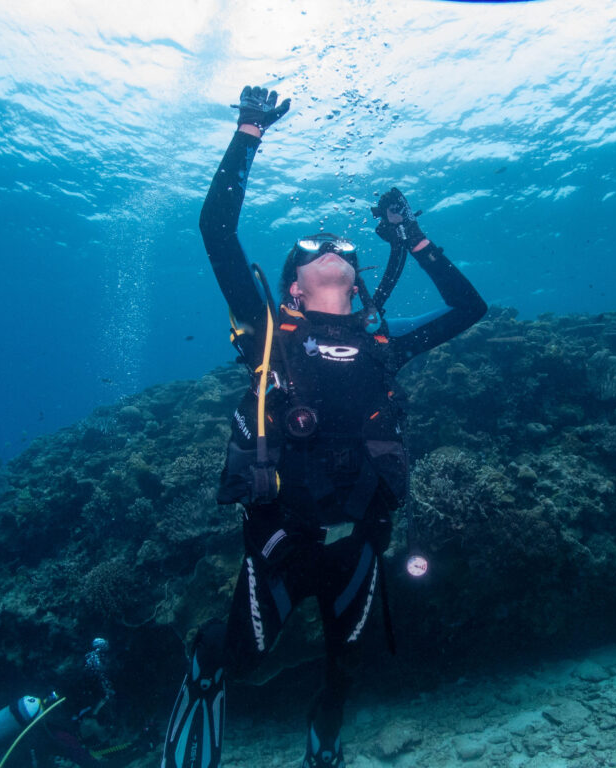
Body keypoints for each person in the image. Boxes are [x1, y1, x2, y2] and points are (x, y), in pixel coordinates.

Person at [161, 85, 487, 768]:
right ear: (293, 289)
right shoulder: (268, 333)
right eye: (314, 247)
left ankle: (324, 747)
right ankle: (202, 673)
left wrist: (414, 238)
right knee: (244, 660)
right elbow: (216, 232)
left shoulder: (382, 348)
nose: (333, 246)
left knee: (345, 665)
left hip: (361, 540)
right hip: (283, 537)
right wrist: (249, 130)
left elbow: (468, 309)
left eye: (342, 245)